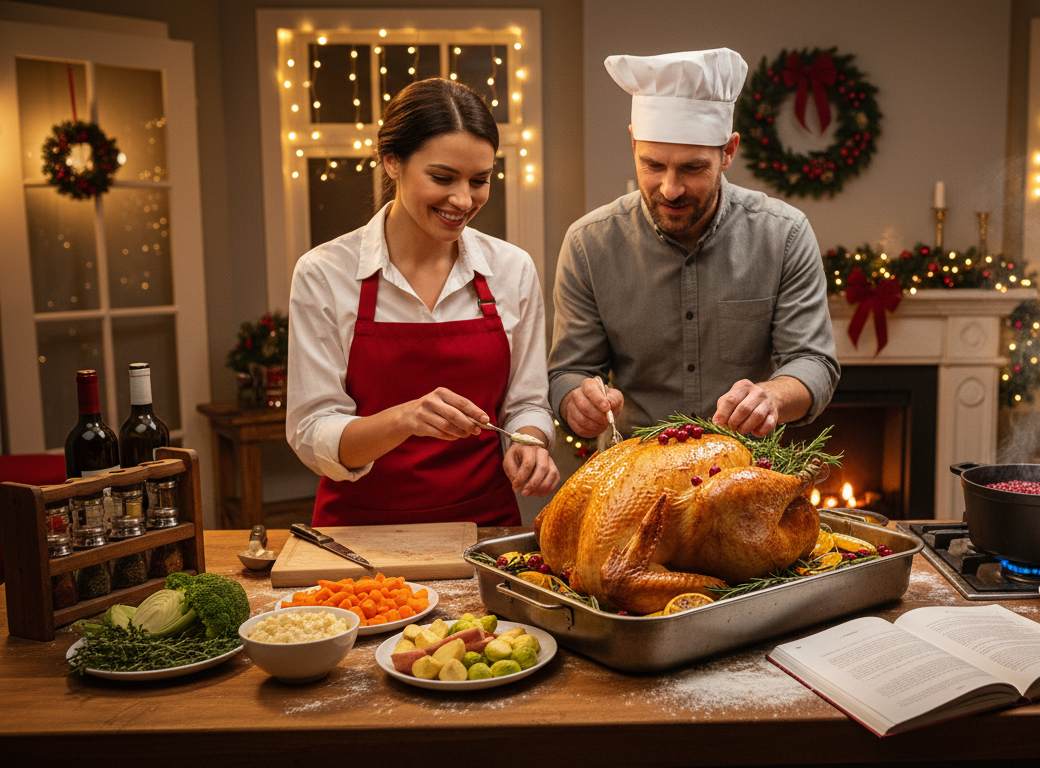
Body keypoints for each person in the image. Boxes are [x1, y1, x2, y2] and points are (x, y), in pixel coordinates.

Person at [287, 78, 558, 527]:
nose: (463, 200)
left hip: (485, 526)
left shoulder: (512, 270)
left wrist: (529, 441)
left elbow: (527, 403)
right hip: (360, 534)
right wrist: (403, 419)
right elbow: (311, 431)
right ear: (391, 162)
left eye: (480, 180)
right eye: (442, 177)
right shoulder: (324, 273)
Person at [549, 48, 839, 440]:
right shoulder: (589, 244)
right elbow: (570, 371)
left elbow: (813, 361)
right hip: (636, 474)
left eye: (693, 167)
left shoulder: (783, 234)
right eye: (653, 165)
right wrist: (575, 400)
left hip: (744, 469)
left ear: (728, 152)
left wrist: (771, 395)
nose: (670, 189)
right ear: (634, 143)